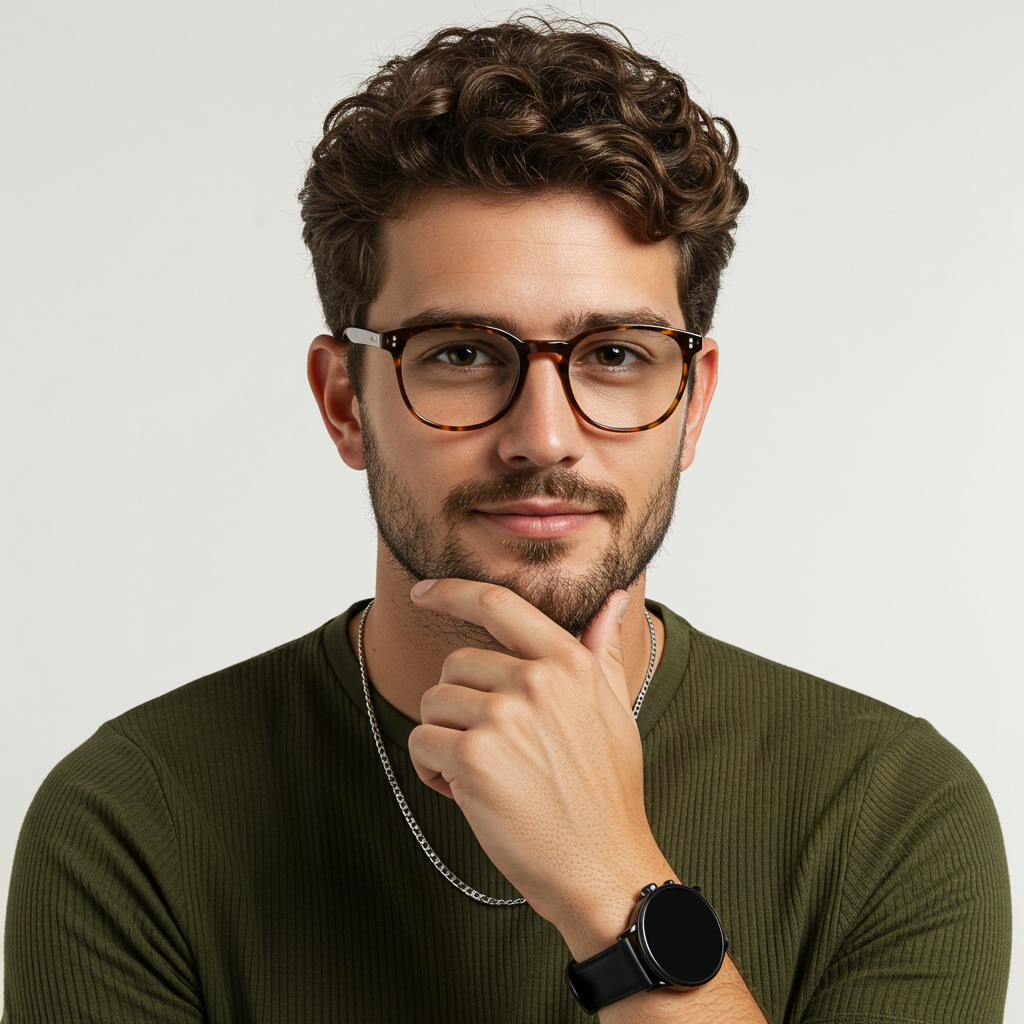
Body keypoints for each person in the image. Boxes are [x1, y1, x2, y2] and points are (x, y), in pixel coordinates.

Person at [2, 16, 1011, 1024]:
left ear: (692, 403)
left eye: (614, 354)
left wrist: (613, 885)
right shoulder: (134, 818)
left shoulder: (889, 809)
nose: (543, 437)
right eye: (457, 351)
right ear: (345, 402)